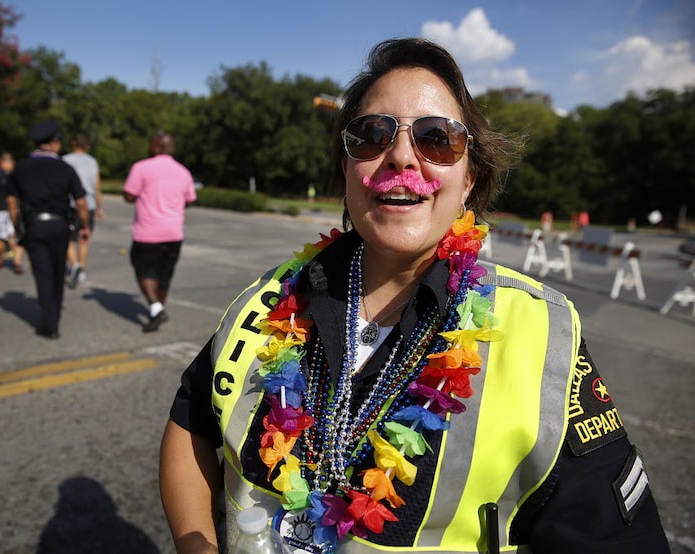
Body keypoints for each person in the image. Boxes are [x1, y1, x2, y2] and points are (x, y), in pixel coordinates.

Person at [158, 38, 670, 553]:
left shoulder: (541, 332)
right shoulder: (270, 298)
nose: (401, 155)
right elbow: (191, 421)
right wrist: (195, 543)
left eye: (437, 138)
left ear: (470, 178)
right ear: (346, 169)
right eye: (372, 134)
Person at [7, 120, 90, 339]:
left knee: (43, 274)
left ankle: (49, 324)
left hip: (34, 226)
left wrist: (16, 227)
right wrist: (85, 226)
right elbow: (81, 202)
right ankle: (54, 317)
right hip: (60, 225)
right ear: (53, 143)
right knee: (58, 271)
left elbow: (11, 202)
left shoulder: (21, 168)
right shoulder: (65, 168)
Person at [122, 132, 196, 332]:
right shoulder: (183, 171)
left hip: (148, 232)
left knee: (144, 270)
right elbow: (189, 199)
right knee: (164, 275)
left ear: (155, 147)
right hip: (173, 232)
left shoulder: (141, 167)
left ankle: (155, 308)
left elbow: (129, 195)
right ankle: (157, 311)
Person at [62, 133, 103, 288]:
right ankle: (82, 269)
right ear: (87, 146)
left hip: (70, 204)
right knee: (84, 237)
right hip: (89, 204)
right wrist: (99, 207)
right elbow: (97, 187)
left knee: (68, 238)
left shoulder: (65, 160)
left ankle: (74, 265)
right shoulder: (92, 162)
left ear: (73, 143)